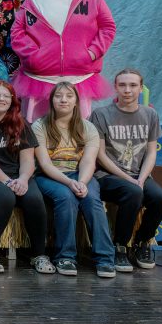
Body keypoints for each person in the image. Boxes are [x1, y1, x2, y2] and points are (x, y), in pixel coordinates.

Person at [11, 0, 116, 120]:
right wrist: (33, 56)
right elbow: (17, 32)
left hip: (79, 77)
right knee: (36, 130)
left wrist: (92, 52)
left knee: (79, 131)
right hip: (38, 77)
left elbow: (108, 27)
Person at [0, 81, 54, 274]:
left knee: (34, 198)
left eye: (6, 96)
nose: (1, 99)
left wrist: (23, 179)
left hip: (17, 175)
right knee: (6, 197)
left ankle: (38, 254)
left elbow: (28, 159)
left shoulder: (20, 123)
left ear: (13, 101)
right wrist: (7, 181)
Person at [32, 82, 115, 278]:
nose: (63, 100)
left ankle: (105, 259)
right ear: (51, 101)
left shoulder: (88, 128)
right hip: (50, 176)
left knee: (92, 201)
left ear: (76, 101)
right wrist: (70, 183)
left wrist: (82, 182)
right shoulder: (39, 126)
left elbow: (88, 161)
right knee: (66, 198)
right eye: (58, 96)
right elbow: (44, 164)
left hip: (81, 175)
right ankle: (65, 256)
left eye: (69, 96)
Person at [90, 69, 162, 271]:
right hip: (107, 176)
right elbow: (100, 155)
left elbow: (151, 152)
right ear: (115, 87)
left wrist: (142, 178)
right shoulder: (101, 114)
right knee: (133, 192)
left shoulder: (150, 114)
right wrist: (129, 179)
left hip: (139, 175)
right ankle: (120, 247)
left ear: (140, 88)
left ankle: (142, 243)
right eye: (122, 85)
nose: (127, 90)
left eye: (133, 85)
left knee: (160, 199)